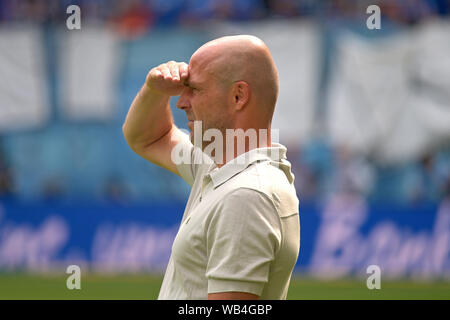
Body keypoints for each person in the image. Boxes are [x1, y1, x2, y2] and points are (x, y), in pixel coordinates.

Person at [123, 35, 300, 300]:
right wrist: (155, 89)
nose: (181, 102)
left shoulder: (247, 195)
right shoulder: (220, 167)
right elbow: (147, 137)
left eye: (194, 89)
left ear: (238, 96)